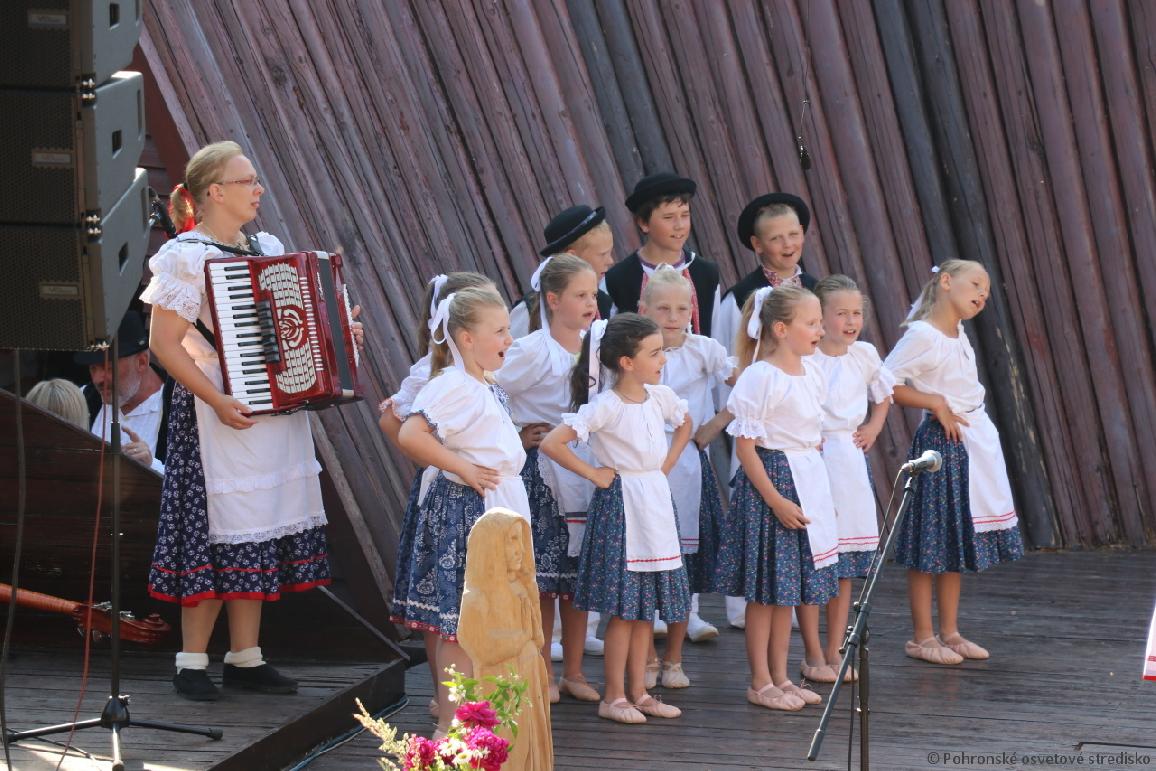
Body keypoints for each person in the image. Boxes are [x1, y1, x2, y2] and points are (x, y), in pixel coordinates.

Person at [141, 140, 359, 701]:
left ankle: (245, 656)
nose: (258, 189)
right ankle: (191, 663)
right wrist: (216, 398)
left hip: (271, 411)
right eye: (247, 181)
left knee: (257, 528)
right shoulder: (186, 256)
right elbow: (164, 344)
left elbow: (290, 333)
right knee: (217, 533)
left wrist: (338, 335)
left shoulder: (268, 248)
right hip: (214, 410)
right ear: (215, 191)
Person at [541, 314, 692, 725]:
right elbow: (553, 442)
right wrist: (593, 474)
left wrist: (665, 465)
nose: (663, 359)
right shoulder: (606, 406)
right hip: (623, 508)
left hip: (655, 505)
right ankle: (614, 696)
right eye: (654, 353)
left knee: (643, 608)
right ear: (627, 362)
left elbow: (685, 423)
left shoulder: (659, 397)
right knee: (624, 609)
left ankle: (639, 692)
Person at [395, 285, 531, 736]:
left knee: (487, 622)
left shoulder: (483, 383)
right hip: (467, 510)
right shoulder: (453, 384)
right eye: (500, 331)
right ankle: (452, 726)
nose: (509, 339)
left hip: (497, 506)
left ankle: (482, 716)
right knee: (460, 624)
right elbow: (411, 434)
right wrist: (464, 468)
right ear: (467, 338)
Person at [883, 260, 1024, 665]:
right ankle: (922, 637)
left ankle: (950, 632)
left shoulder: (958, 332)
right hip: (941, 444)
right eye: (976, 284)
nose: (982, 295)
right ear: (946, 281)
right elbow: (885, 381)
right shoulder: (923, 335)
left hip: (970, 440)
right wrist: (934, 402)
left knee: (952, 537)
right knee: (929, 539)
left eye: (987, 292)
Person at [713, 285, 839, 712]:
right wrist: (775, 500)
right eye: (812, 323)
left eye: (820, 322)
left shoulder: (812, 373)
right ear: (782, 329)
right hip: (773, 484)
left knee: (786, 589)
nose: (820, 330)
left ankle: (782, 676)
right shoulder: (761, 377)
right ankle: (760, 680)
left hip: (805, 481)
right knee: (763, 592)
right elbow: (746, 448)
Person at [382, 270, 493, 718]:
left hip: (481, 494)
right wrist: (441, 461)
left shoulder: (481, 373)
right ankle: (444, 696)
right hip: (447, 495)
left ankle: (472, 693)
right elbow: (393, 421)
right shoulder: (432, 372)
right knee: (442, 605)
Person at [494, 255, 601, 705]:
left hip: (585, 470)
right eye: (580, 295)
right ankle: (542, 672)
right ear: (553, 300)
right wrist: (518, 435)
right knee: (543, 580)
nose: (590, 303)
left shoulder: (598, 344)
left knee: (577, 582)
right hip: (541, 475)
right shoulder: (532, 350)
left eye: (593, 294)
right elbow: (490, 389)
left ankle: (574, 671)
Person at [638, 267, 735, 674]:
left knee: (687, 538)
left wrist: (716, 423)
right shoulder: (637, 349)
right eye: (663, 308)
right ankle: (651, 616)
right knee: (649, 538)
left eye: (682, 308)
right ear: (644, 309)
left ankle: (688, 612)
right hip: (644, 458)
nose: (673, 316)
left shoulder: (704, 349)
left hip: (689, 459)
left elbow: (749, 384)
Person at [810, 275, 895, 682]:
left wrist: (874, 427)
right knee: (815, 558)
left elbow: (885, 394)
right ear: (820, 317)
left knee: (844, 564)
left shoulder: (863, 354)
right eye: (841, 313)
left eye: (856, 313)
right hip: (814, 458)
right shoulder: (808, 358)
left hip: (848, 459)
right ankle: (813, 653)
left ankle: (834, 650)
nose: (850, 321)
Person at [604, 173, 720, 337]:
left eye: (685, 215)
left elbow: (716, 334)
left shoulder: (706, 274)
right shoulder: (617, 279)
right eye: (668, 217)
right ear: (644, 223)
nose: (679, 225)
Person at [76, 309, 173, 472]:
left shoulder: (179, 408)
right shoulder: (83, 399)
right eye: (93, 368)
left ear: (142, 362)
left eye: (108, 368)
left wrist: (152, 466)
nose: (98, 379)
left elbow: (196, 481)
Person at [510, 205, 616, 339]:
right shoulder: (530, 310)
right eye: (602, 254)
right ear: (572, 257)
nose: (611, 261)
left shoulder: (604, 303)